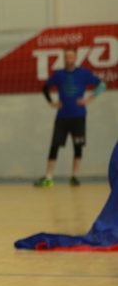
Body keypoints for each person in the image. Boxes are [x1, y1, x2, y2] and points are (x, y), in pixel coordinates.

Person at [35, 46, 106, 187]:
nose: (69, 59)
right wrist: (52, 103)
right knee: (55, 145)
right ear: (64, 58)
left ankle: (74, 176)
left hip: (78, 116)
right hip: (62, 117)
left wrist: (89, 99)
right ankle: (49, 177)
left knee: (78, 146)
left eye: (72, 56)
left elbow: (102, 85)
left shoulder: (84, 73)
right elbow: (45, 88)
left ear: (75, 57)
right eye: (67, 57)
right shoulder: (59, 74)